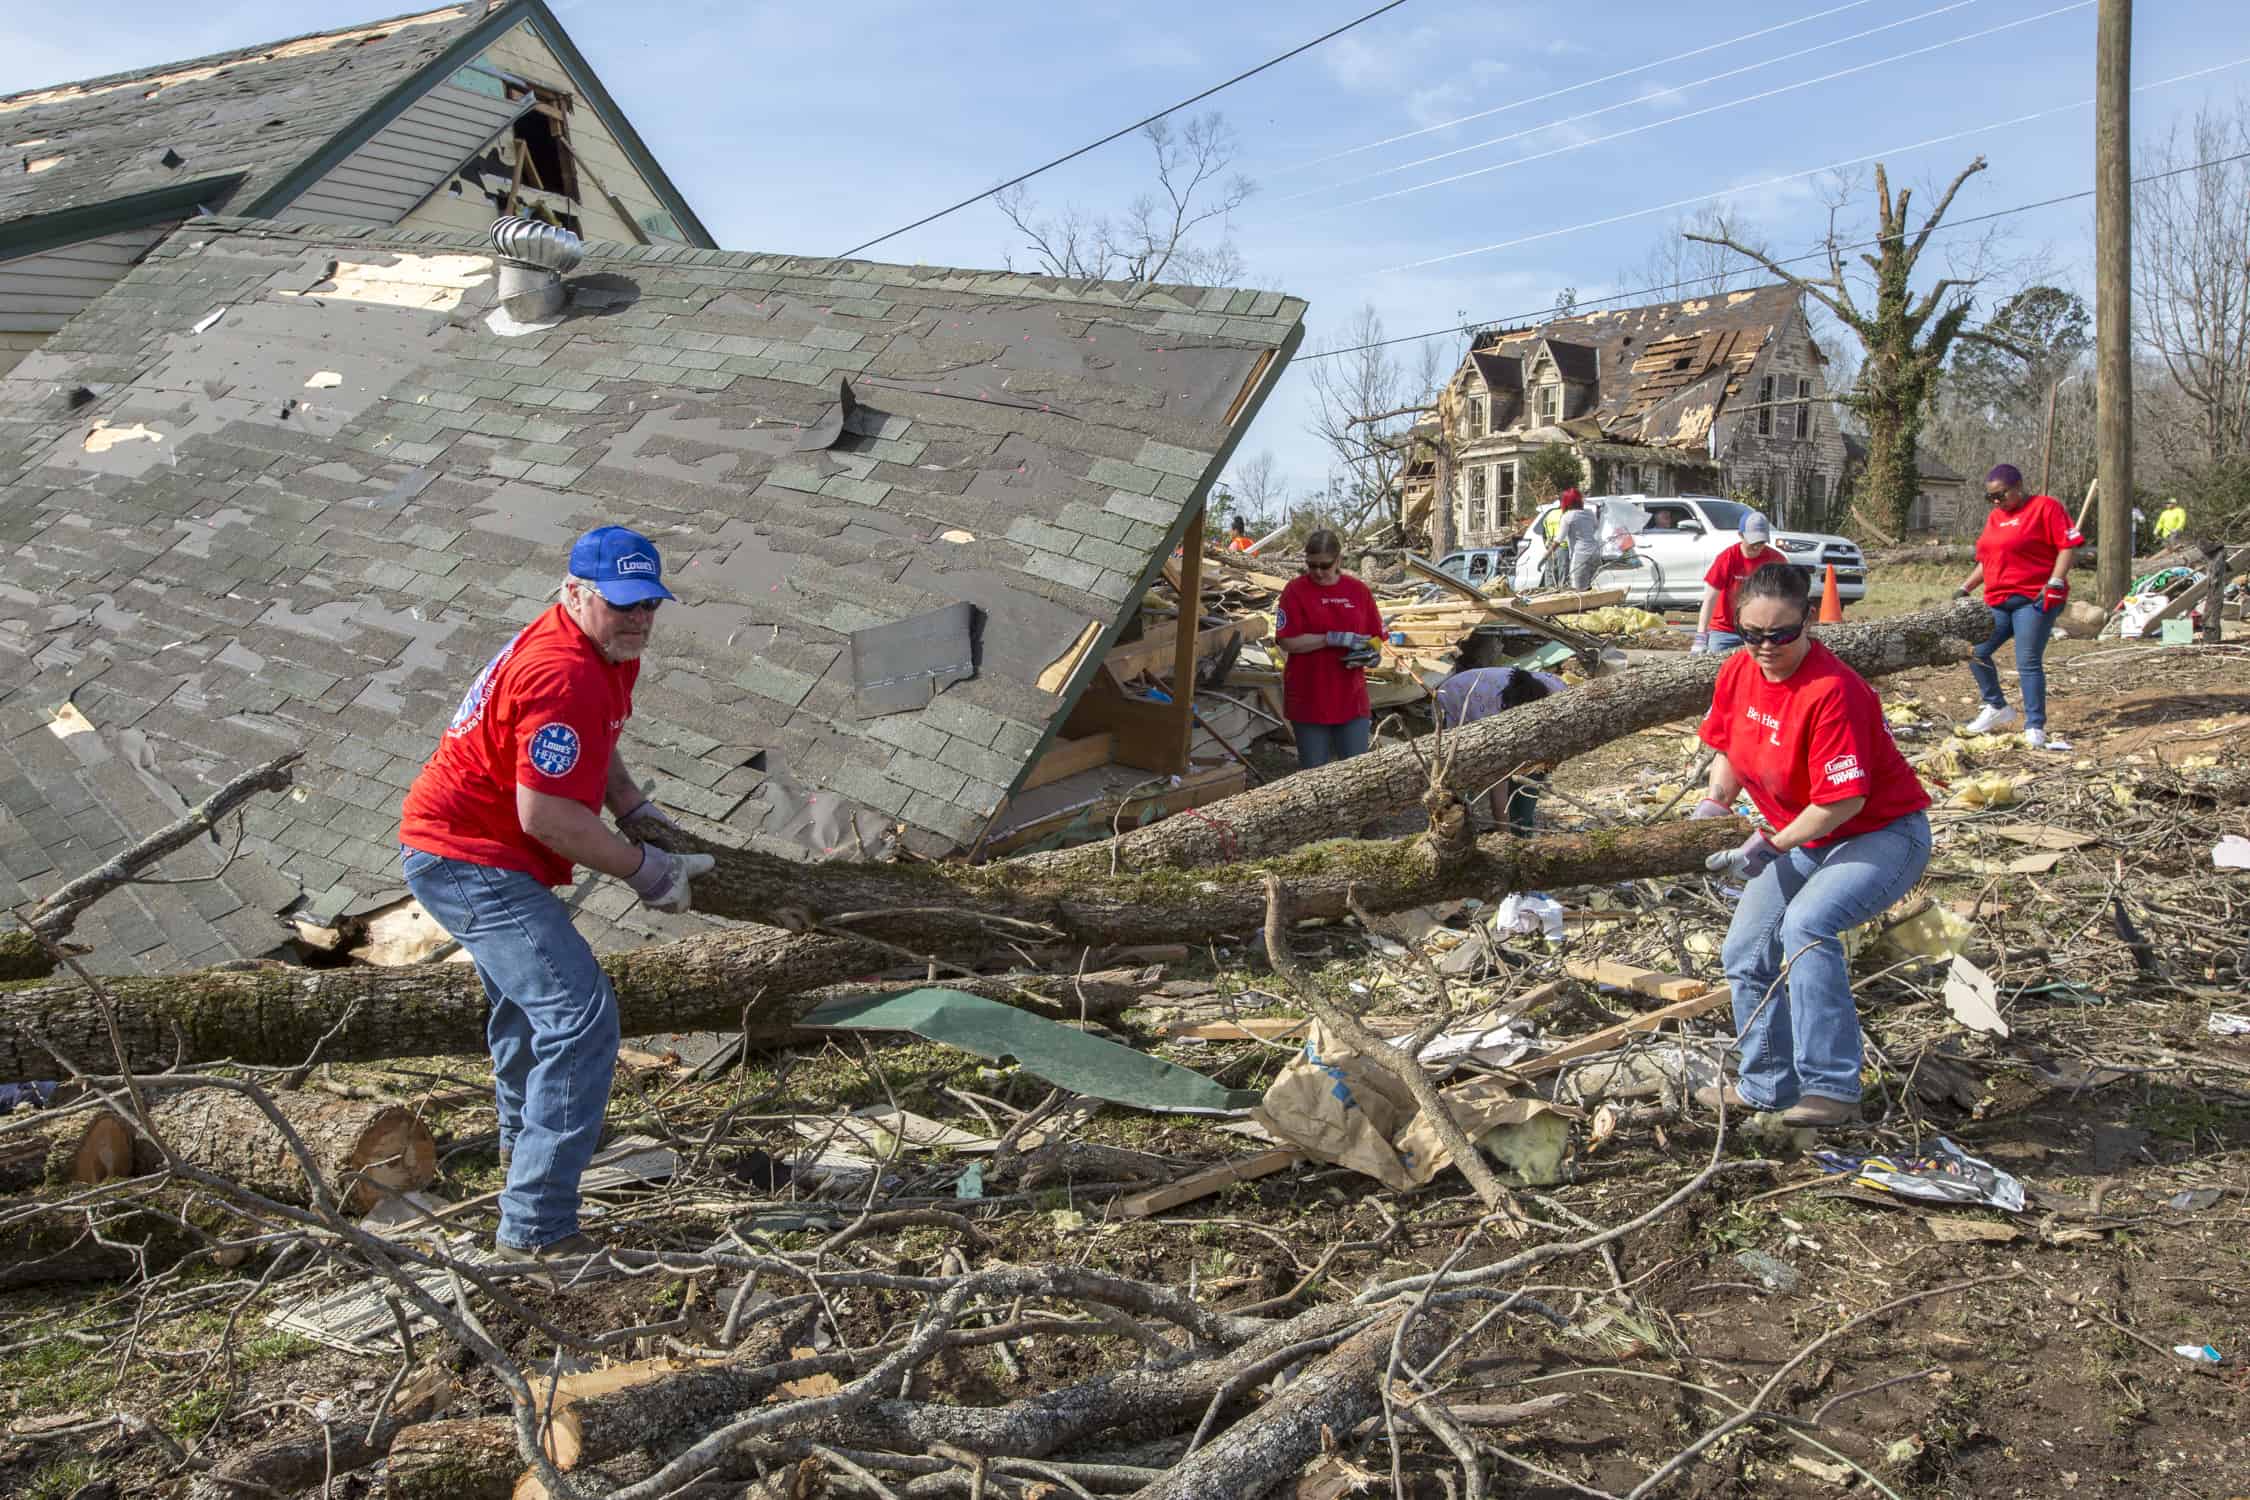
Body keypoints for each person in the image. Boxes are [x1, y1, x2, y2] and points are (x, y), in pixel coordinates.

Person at [398, 525, 716, 1264]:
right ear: (574, 592)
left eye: (649, 606)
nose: (639, 619)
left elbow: (593, 739)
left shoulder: (605, 649)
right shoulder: (559, 669)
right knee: (580, 1017)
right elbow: (545, 815)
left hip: (474, 850)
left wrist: (631, 802)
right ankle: (537, 1230)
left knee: (529, 1014)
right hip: (468, 860)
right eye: (623, 605)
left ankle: (523, 1165)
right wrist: (645, 869)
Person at [1692, 564, 1932, 1128]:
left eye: (1781, 634)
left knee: (1808, 926)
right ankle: (1767, 1085)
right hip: (1802, 835)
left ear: (1807, 621)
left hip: (1878, 834)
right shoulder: (1738, 670)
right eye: (1753, 634)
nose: (1766, 647)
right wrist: (1716, 804)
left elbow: (1842, 803)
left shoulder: (1834, 692)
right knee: (1745, 951)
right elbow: (1727, 744)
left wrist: (1770, 844)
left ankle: (1831, 1090)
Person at [1952, 463, 2083, 750]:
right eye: (1991, 497)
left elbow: (2066, 546)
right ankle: (1996, 706)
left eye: (2001, 494)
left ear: (2018, 487)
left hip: (2035, 598)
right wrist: (1964, 588)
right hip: (1998, 599)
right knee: (1975, 651)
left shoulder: (2045, 507)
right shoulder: (1995, 518)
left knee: (2028, 661)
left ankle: (2035, 725)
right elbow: (1987, 561)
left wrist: (2056, 580)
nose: (1997, 501)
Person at [1274, 529, 1382, 769]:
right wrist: (1332, 638)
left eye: (1324, 565)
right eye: (1311, 566)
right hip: (1309, 698)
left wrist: (1373, 654)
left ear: (1338, 561)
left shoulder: (1358, 591)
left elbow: (1375, 636)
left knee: (1357, 771)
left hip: (1350, 698)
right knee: (1314, 773)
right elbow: (1287, 641)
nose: (1318, 572)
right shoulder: (1294, 591)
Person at [1434, 666, 1565, 834]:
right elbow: (1498, 783)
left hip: (1485, 690)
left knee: (1535, 762)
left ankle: (1521, 828)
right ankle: (1457, 827)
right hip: (1454, 698)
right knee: (1461, 766)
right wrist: (1503, 833)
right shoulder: (1493, 712)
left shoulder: (1558, 693)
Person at [1693, 510, 1787, 654]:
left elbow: (1785, 598)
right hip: (1725, 630)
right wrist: (1701, 636)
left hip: (1760, 630)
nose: (1757, 547)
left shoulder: (1776, 560)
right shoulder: (1727, 558)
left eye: (1761, 542)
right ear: (1741, 535)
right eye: (1753, 541)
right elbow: (1710, 598)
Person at [1559, 487, 1603, 590]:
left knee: (1578, 589)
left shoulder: (1567, 516)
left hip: (1580, 556)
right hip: (1595, 553)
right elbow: (1596, 527)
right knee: (1594, 588)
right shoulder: (1589, 513)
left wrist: (1545, 556)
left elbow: (1559, 539)